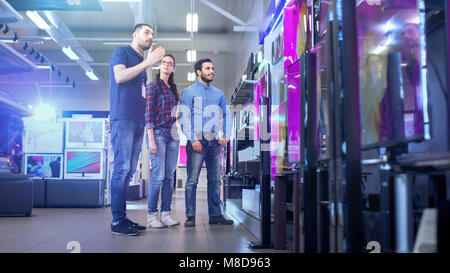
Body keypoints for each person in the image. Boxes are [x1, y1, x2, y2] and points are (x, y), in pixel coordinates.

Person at [109, 23, 165, 236]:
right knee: (122, 169)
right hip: (123, 118)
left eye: (152, 33)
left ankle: (122, 218)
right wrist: (149, 63)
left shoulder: (142, 63)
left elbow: (140, 94)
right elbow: (120, 77)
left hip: (137, 121)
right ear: (135, 34)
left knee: (129, 171)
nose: (150, 36)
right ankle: (117, 221)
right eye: (146, 32)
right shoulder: (121, 52)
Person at [179, 58, 233, 227]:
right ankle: (190, 216)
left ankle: (215, 215)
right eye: (208, 68)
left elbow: (227, 114)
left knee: (215, 181)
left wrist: (226, 135)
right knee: (192, 181)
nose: (212, 71)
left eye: (213, 68)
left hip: (214, 142)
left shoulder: (219, 94)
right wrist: (192, 139)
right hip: (196, 141)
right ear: (198, 72)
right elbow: (183, 117)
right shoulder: (188, 92)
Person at [145, 54, 181, 228]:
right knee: (158, 176)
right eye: (164, 62)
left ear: (173, 68)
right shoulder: (153, 86)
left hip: (173, 135)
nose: (167, 65)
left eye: (170, 64)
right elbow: (148, 114)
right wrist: (151, 139)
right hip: (158, 134)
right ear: (159, 66)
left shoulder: (173, 88)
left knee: (169, 177)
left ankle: (166, 214)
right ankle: (152, 216)